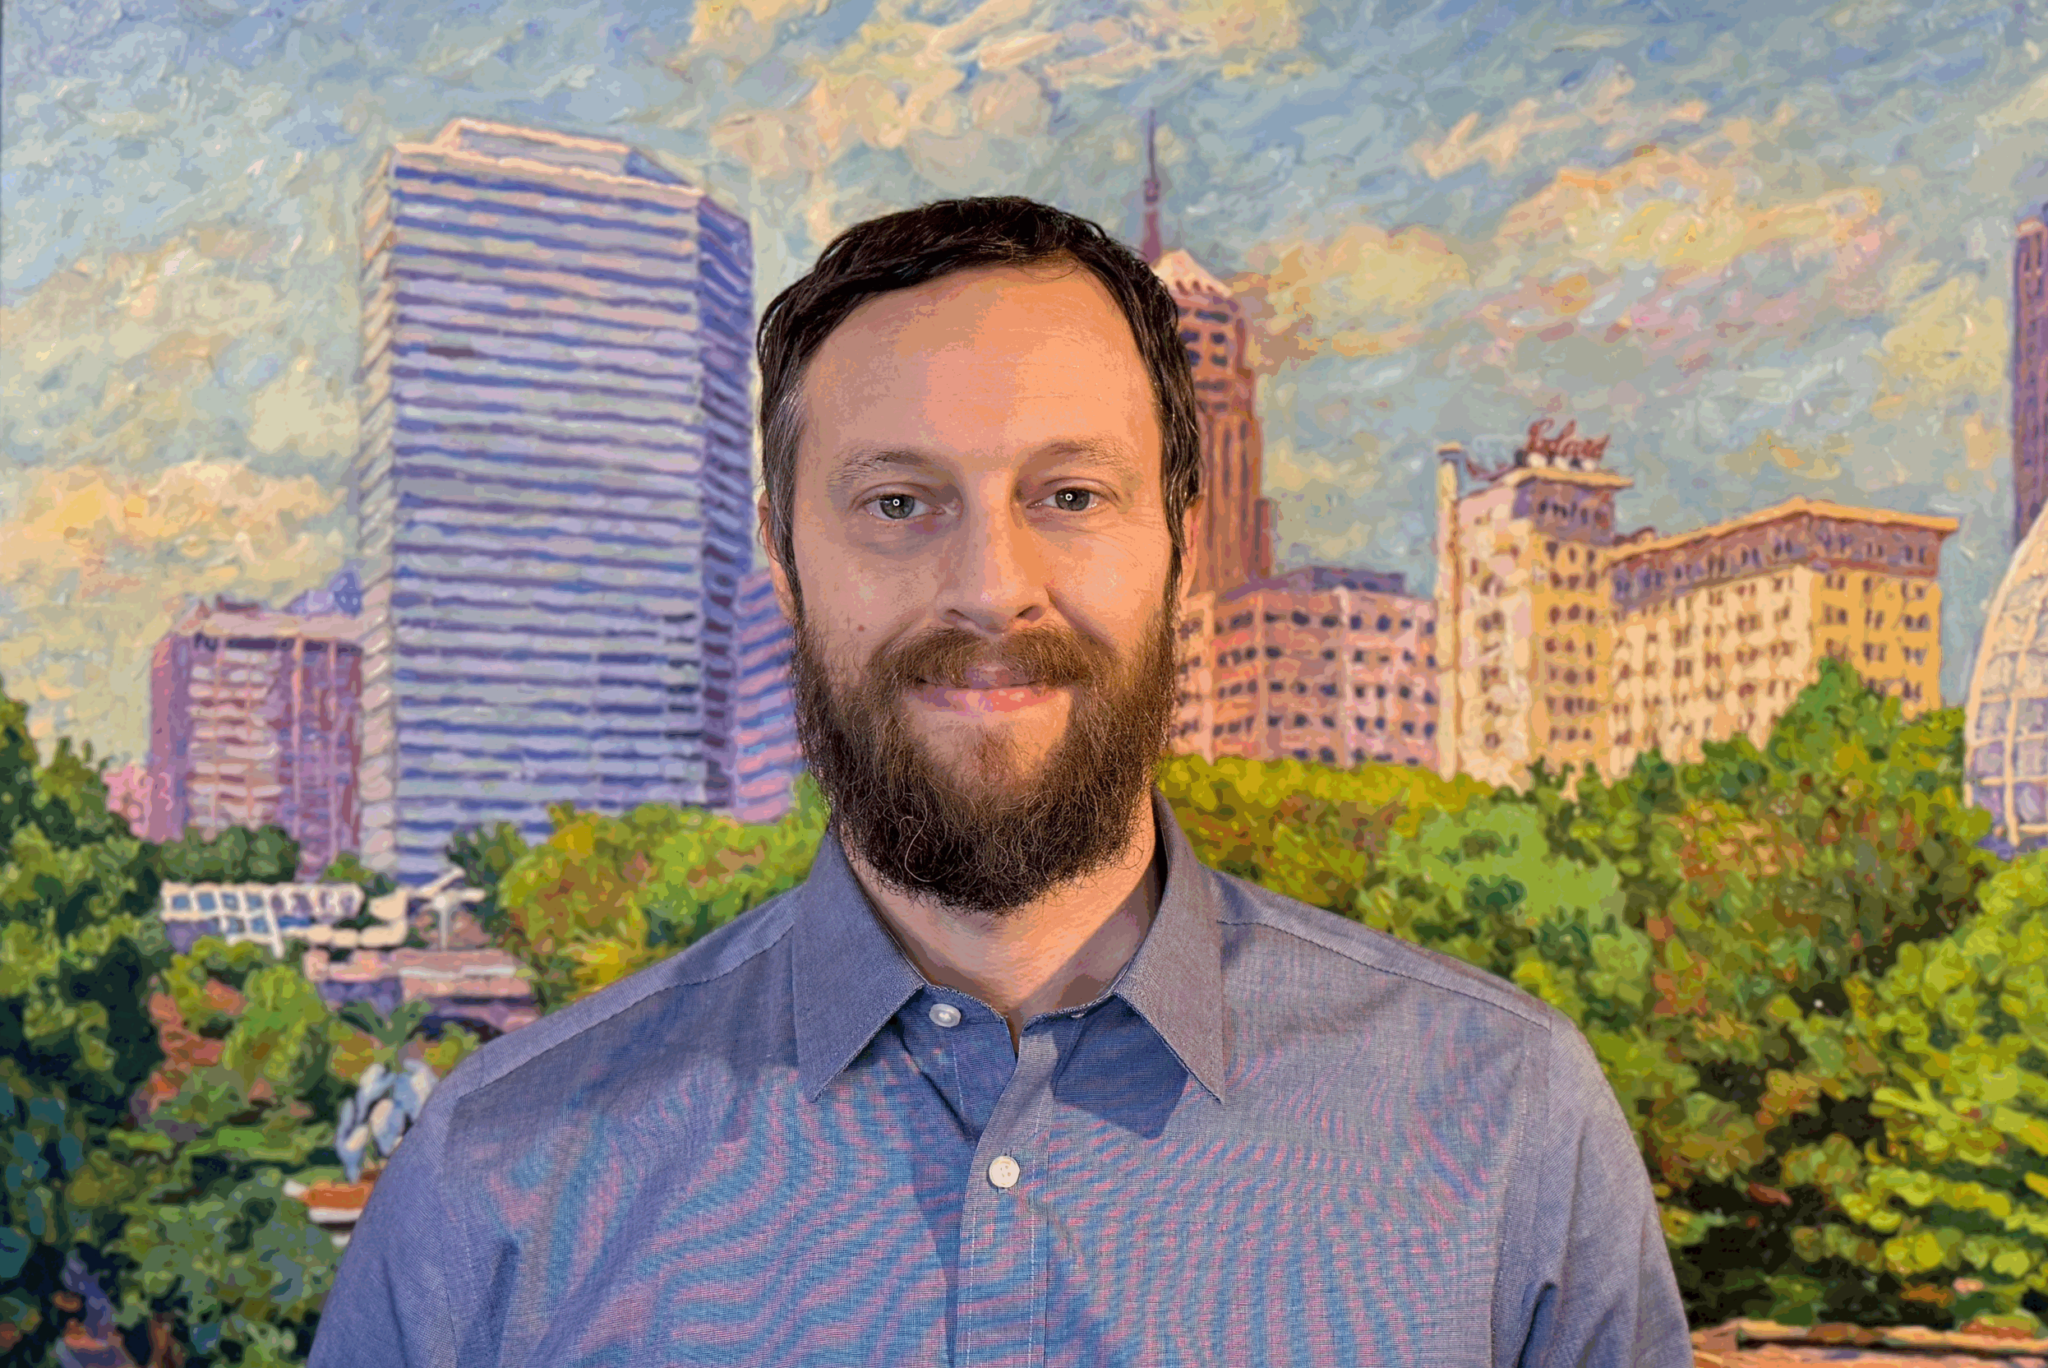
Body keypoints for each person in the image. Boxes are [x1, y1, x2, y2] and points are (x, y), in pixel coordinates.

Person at [310, 196, 1694, 1366]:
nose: (989, 590)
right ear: (787, 569)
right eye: (898, 504)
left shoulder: (1509, 1123)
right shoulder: (499, 1176)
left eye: (1071, 497)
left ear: (1178, 545)